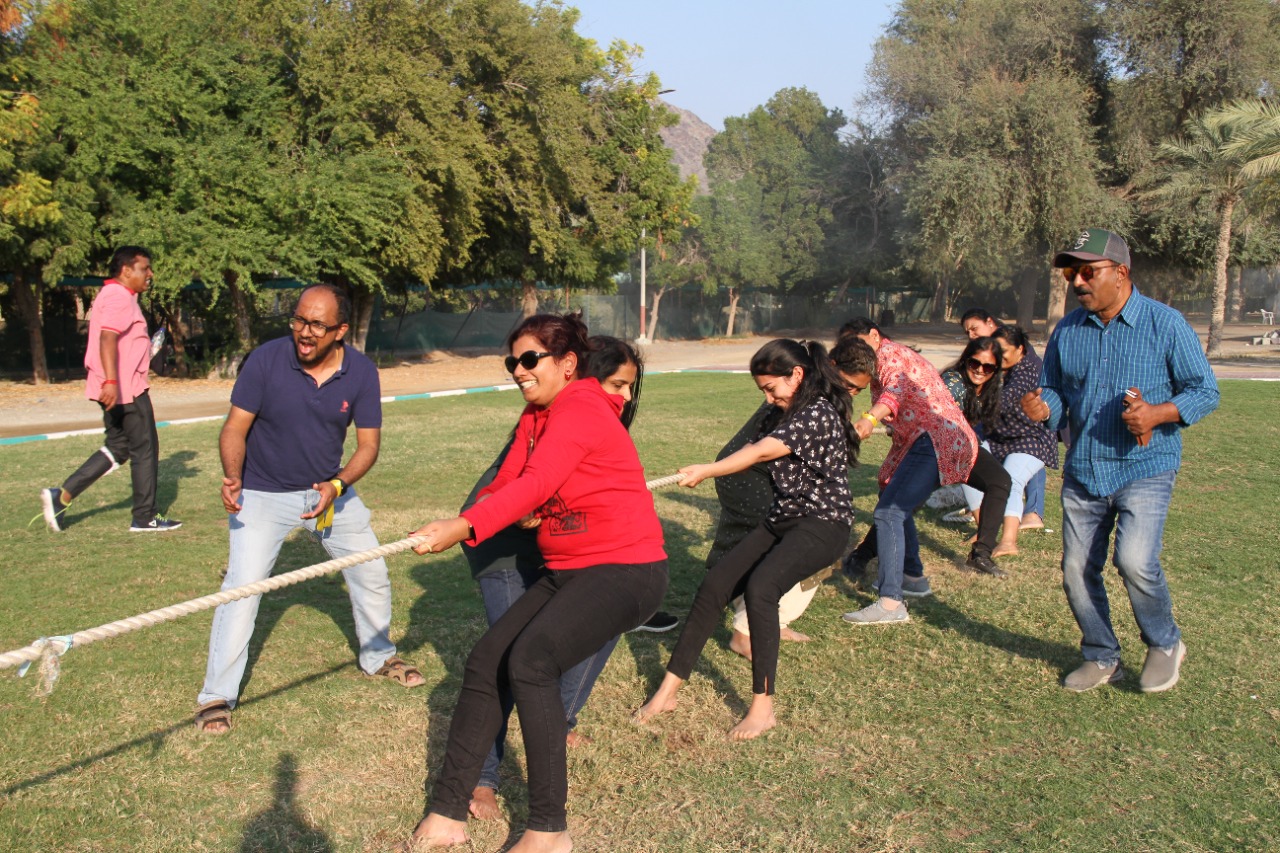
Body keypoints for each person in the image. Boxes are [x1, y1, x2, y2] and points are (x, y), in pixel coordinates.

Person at [407, 314, 668, 853]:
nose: (519, 371)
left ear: (568, 364)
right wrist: (463, 519)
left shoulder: (582, 404)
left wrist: (464, 526)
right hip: (569, 571)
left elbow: (539, 483)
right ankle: (447, 809)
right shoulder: (536, 414)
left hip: (627, 568)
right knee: (486, 661)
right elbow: (507, 484)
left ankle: (549, 830)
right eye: (513, 362)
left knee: (531, 661)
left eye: (530, 359)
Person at [194, 284, 423, 735]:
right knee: (242, 589)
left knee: (370, 570)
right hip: (261, 493)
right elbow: (234, 427)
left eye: (317, 324)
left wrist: (337, 486)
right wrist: (233, 474)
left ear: (339, 330)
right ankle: (216, 696)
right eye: (298, 320)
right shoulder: (265, 359)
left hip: (328, 494)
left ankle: (378, 657)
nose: (304, 332)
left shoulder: (361, 372)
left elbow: (369, 445)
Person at [1023, 228, 1218, 693]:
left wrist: (1158, 413)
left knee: (1133, 561)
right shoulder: (1068, 329)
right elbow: (1055, 388)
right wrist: (1044, 405)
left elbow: (1205, 391)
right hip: (1086, 467)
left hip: (1145, 467)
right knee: (1075, 570)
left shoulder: (1165, 323)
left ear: (1121, 273)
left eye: (1088, 271)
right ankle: (1102, 654)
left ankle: (1165, 641)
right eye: (1072, 273)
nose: (1077, 282)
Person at [634, 339, 857, 741]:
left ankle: (762, 708)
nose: (769, 398)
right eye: (763, 392)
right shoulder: (781, 411)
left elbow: (759, 453)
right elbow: (751, 447)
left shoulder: (817, 413)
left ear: (798, 375)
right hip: (782, 517)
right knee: (715, 585)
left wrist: (707, 470)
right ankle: (667, 692)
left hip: (823, 523)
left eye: (773, 388)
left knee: (761, 588)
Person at [837, 318, 1011, 627]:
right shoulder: (887, 358)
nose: (856, 351)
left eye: (859, 343)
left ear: (875, 336)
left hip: (935, 439)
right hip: (941, 438)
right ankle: (913, 576)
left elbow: (895, 389)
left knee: (890, 512)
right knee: (890, 492)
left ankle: (890, 603)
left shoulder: (889, 357)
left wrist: (870, 417)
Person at [39, 246, 181, 533]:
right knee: (145, 449)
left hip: (115, 387)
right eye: (145, 268)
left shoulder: (116, 295)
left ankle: (62, 496)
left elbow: (118, 341)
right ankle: (145, 517)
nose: (150, 274)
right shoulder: (119, 297)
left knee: (118, 448)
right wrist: (112, 382)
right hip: (125, 389)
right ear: (126, 270)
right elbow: (107, 340)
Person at [956, 308, 1049, 530]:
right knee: (971, 458)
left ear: (990, 322)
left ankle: (1030, 515)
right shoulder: (989, 351)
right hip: (999, 427)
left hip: (1026, 427)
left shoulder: (1018, 356)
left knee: (1019, 468)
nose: (971, 334)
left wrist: (980, 407)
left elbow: (1011, 393)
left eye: (974, 328)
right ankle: (986, 521)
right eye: (967, 331)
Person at [984, 325, 1057, 555]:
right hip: (998, 437)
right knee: (969, 461)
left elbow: (1009, 397)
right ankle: (984, 533)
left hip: (1031, 439)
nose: (998, 356)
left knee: (1011, 480)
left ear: (1020, 349)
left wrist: (979, 402)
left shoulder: (1030, 368)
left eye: (1003, 351)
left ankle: (1008, 541)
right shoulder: (996, 367)